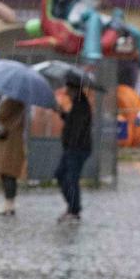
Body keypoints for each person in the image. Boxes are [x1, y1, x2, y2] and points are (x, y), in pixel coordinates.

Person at [55, 71, 93, 223]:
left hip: (76, 149)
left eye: (69, 90)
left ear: (75, 90)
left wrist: (71, 144)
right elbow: (73, 122)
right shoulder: (78, 105)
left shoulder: (82, 106)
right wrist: (62, 114)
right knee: (61, 175)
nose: (67, 93)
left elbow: (77, 127)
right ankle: (72, 207)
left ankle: (73, 209)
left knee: (70, 178)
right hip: (73, 148)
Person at [0, 96, 25, 217]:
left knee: (7, 172)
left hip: (8, 141)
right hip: (13, 140)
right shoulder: (20, 101)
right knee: (9, 173)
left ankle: (9, 203)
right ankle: (10, 203)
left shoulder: (11, 100)